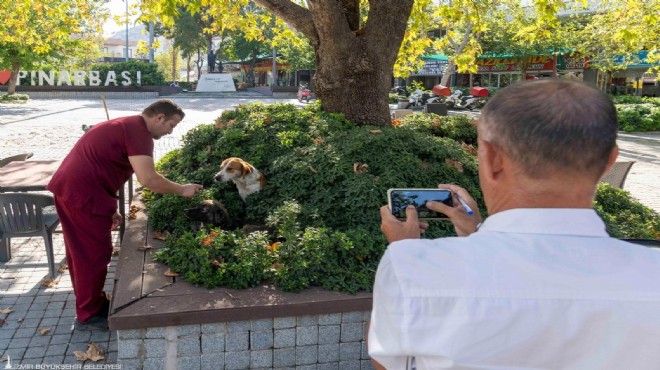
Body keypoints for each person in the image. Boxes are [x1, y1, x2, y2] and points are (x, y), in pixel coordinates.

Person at [368, 79, 660, 369]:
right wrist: (476, 234)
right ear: (610, 161)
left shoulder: (415, 267)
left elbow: (388, 364)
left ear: (493, 158)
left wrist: (405, 254)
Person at [47, 99, 203, 331]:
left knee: (83, 253)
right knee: (92, 255)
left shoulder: (127, 125)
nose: (170, 131)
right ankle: (87, 315)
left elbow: (106, 167)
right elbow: (148, 179)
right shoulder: (139, 132)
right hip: (82, 195)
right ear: (159, 117)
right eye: (171, 125)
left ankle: (92, 304)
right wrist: (183, 189)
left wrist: (110, 208)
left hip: (78, 191)